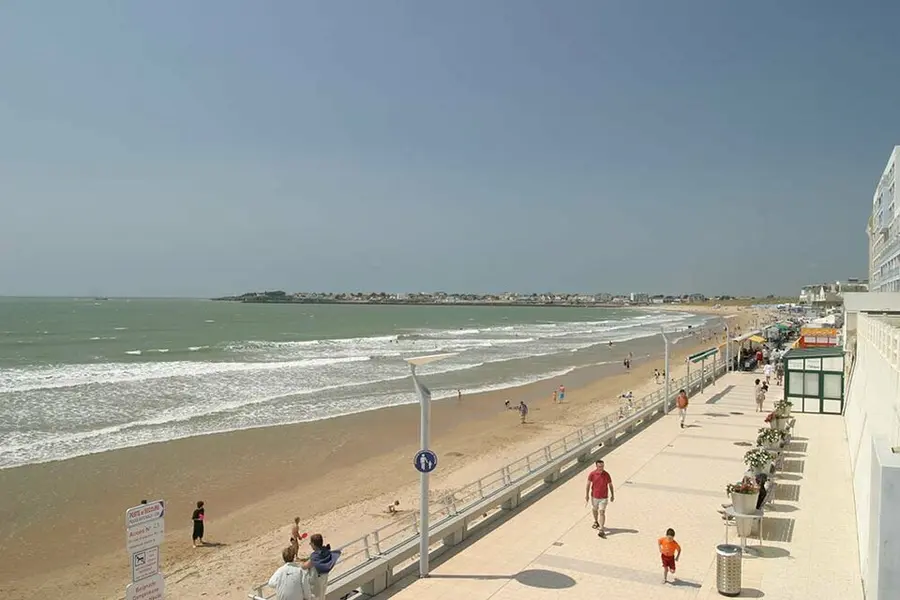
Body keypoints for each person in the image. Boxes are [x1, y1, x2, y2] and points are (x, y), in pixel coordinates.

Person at [301, 533, 341, 600]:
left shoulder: (315, 556)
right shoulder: (326, 551)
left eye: (311, 543)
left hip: (316, 584)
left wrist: (302, 563)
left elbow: (304, 566)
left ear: (314, 544)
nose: (310, 545)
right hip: (324, 580)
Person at [584, 459, 615, 538]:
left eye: (602, 466)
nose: (601, 468)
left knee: (602, 512)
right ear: (596, 466)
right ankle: (596, 521)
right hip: (594, 496)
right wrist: (587, 495)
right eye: (600, 466)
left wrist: (612, 495)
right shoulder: (592, 474)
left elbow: (610, 485)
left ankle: (601, 529)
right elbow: (588, 485)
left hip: (604, 497)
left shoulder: (606, 474)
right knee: (595, 509)